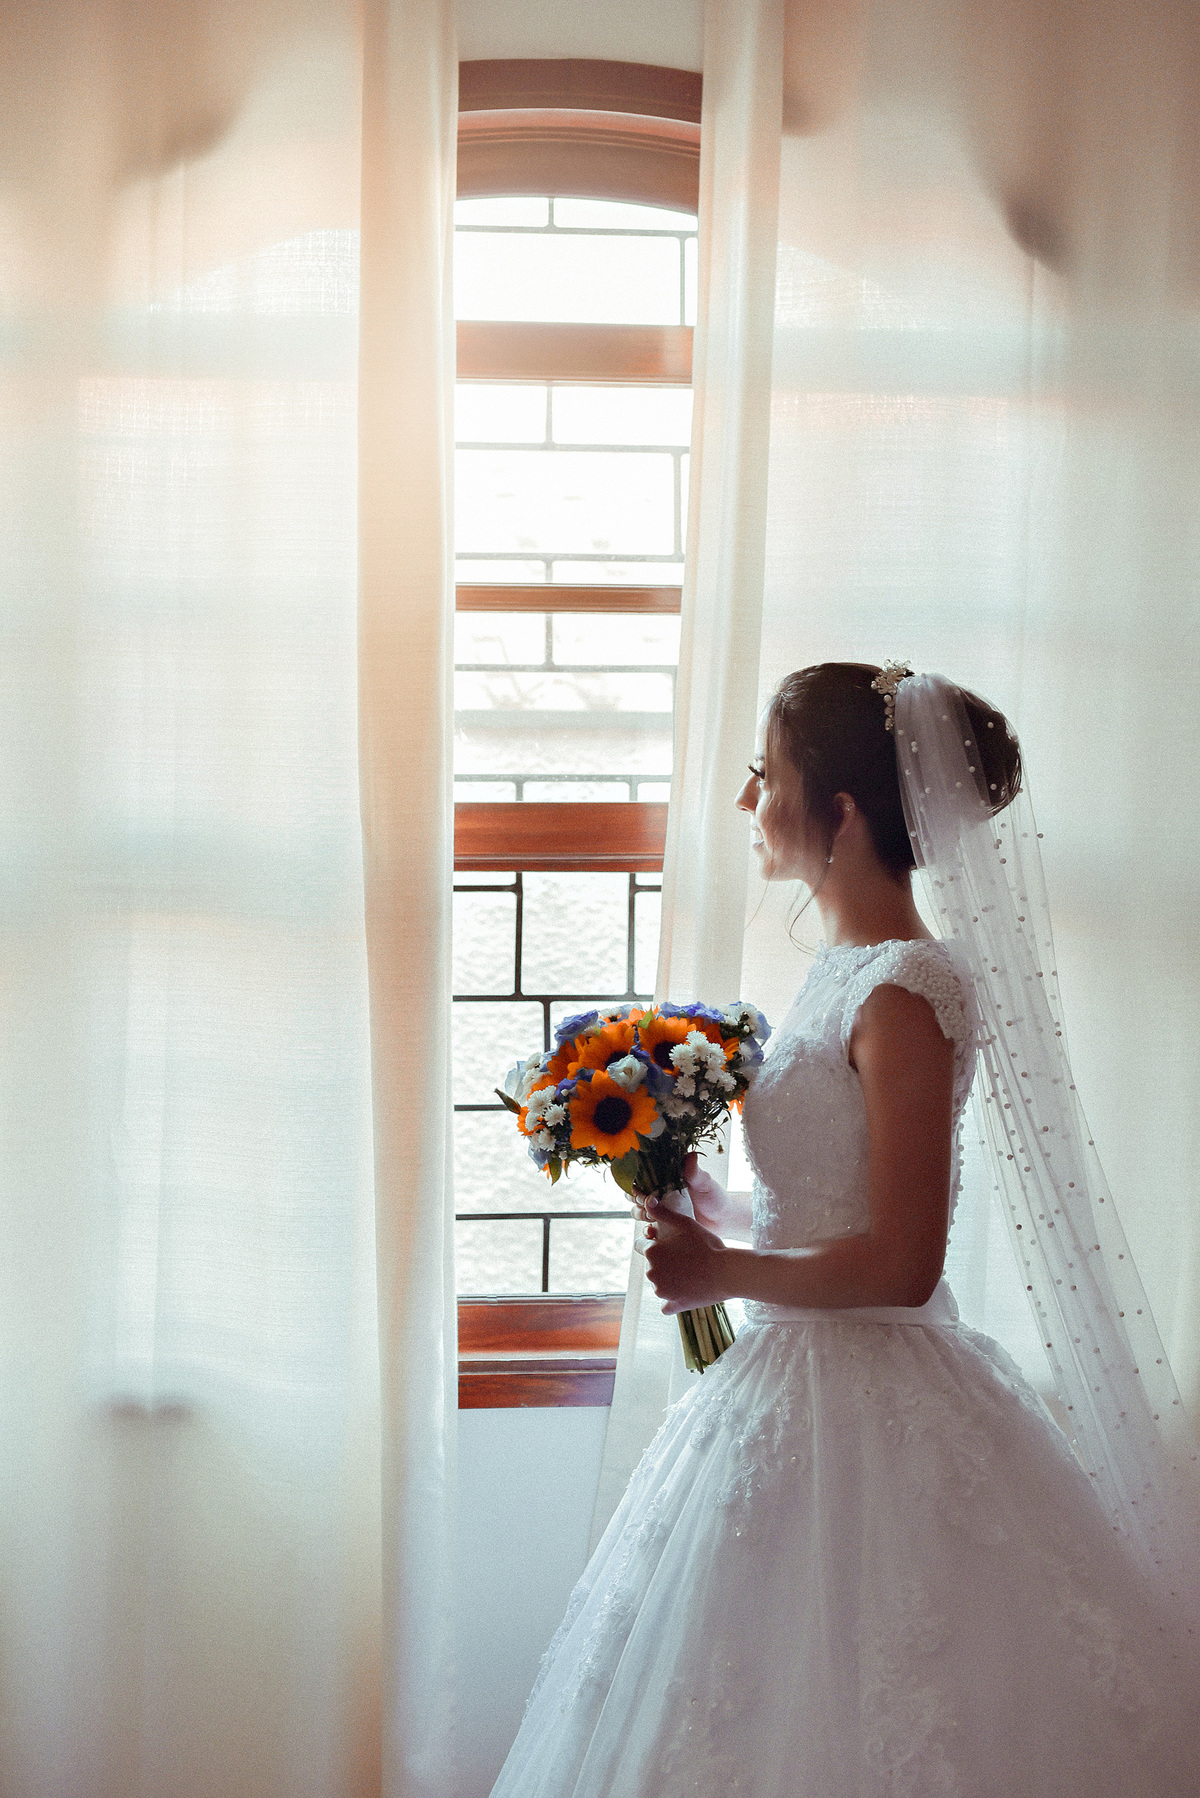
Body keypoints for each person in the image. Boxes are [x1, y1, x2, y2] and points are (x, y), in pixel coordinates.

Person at [488, 662, 1200, 1798]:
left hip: (875, 1387)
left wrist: (725, 1266)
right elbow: (824, 1196)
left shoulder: (906, 990)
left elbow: (906, 1263)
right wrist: (693, 1201)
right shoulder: (833, 975)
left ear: (843, 811)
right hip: (773, 1375)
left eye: (765, 776)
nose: (747, 803)